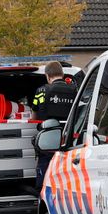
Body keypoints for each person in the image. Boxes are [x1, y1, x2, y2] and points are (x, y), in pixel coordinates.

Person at [31, 61, 78, 191]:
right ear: (62, 74)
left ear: (47, 75)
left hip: (48, 140)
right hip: (69, 140)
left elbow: (34, 114)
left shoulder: (41, 91)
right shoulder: (75, 91)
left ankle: (43, 195)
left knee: (45, 170)